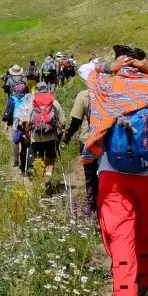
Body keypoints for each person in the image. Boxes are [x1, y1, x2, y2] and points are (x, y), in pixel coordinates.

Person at [79, 46, 148, 296]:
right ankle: (141, 285)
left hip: (113, 172)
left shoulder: (104, 84)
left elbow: (87, 69)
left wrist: (111, 67)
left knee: (122, 238)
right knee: (145, 232)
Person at [18, 81, 63, 190]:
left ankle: (41, 182)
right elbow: (63, 122)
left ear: (36, 91)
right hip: (51, 136)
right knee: (50, 160)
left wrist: (28, 137)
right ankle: (49, 175)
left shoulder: (33, 103)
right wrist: (60, 135)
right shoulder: (54, 102)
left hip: (36, 137)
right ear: (47, 89)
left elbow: (28, 123)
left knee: (40, 159)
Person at [63, 86, 98, 215]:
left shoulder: (84, 95)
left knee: (90, 175)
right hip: (108, 141)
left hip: (88, 140)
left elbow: (76, 121)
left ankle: (91, 205)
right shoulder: (111, 92)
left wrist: (67, 136)